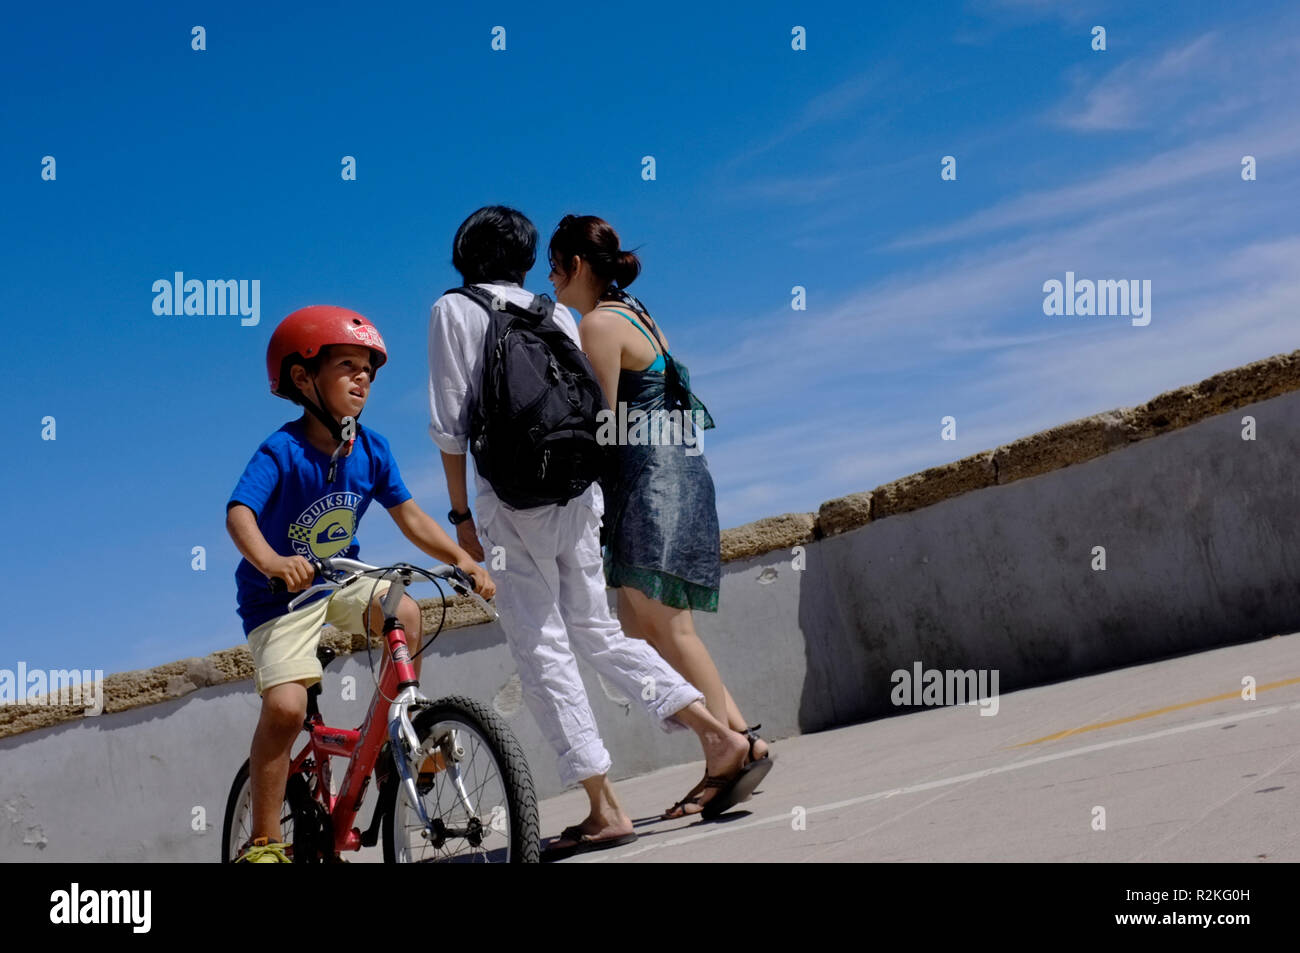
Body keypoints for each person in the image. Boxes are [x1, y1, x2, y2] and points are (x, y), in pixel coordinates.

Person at [427, 206, 760, 856]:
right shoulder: (552, 314)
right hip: (578, 497)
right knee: (600, 632)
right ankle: (718, 733)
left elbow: (449, 422)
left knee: (543, 646)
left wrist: (462, 515)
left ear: (465, 257)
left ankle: (604, 806)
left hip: (514, 502)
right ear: (524, 261)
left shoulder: (454, 309)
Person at [226, 304, 494, 863]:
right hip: (279, 600)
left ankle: (404, 731)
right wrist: (274, 562)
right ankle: (265, 841)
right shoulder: (283, 450)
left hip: (339, 585)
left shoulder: (370, 450)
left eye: (368, 369)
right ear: (303, 378)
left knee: (407, 608)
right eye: (347, 365)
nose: (363, 378)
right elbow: (239, 515)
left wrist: (464, 561)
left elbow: (413, 519)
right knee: (285, 710)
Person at [547, 214, 772, 819]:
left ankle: (735, 745)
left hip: (650, 479)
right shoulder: (638, 312)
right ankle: (739, 742)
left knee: (666, 627)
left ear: (575, 266)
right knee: (640, 623)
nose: (549, 278)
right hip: (675, 471)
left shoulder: (597, 323)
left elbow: (603, 425)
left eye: (554, 264)